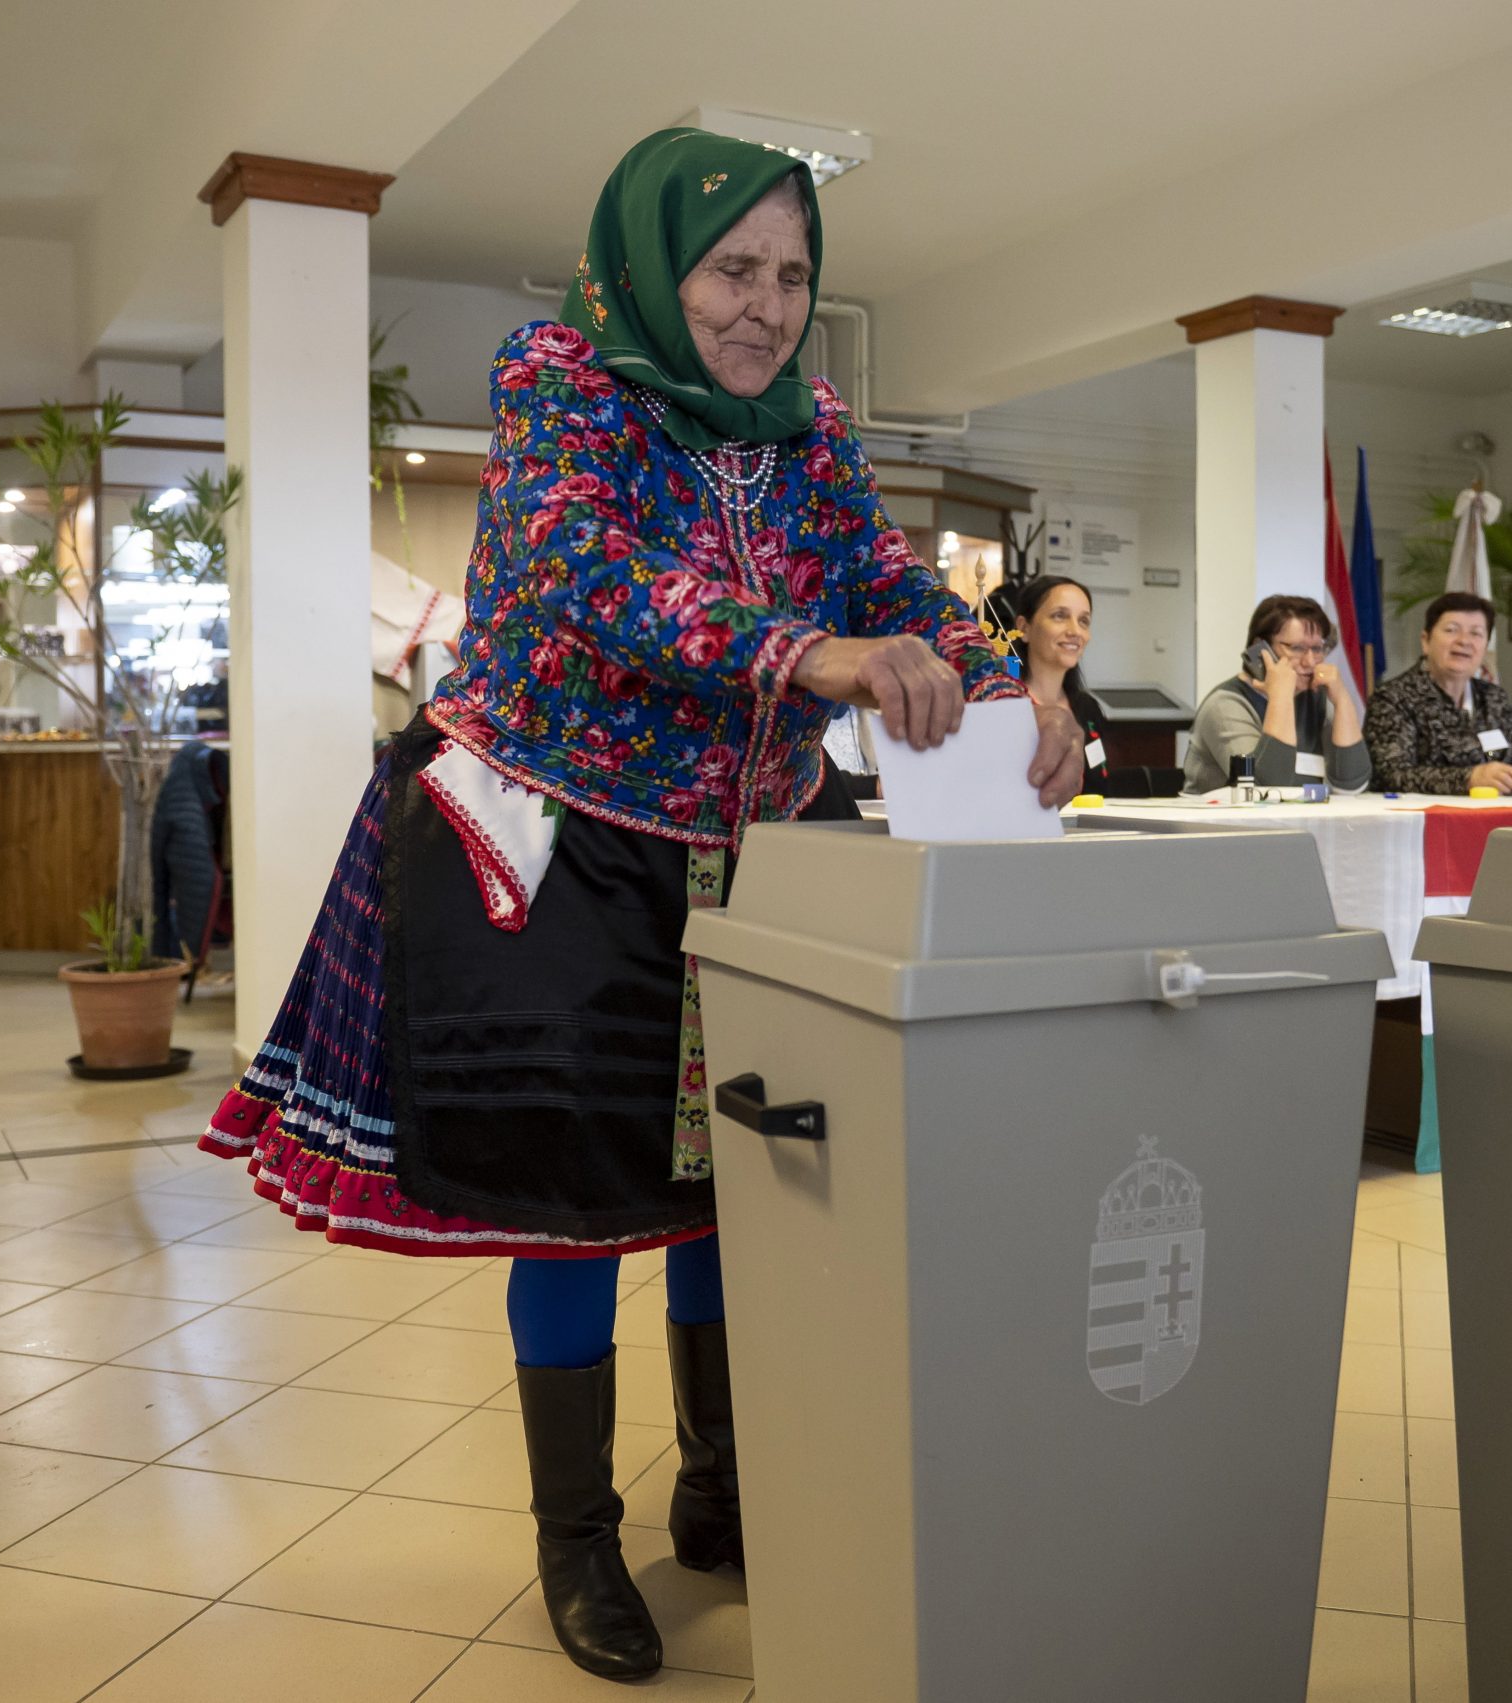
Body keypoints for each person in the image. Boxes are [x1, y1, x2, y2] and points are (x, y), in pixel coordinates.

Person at [195, 129, 1082, 1684]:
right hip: (566, 836)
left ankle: (722, 1485)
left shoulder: (804, 421)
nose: (765, 306)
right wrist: (807, 658)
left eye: (794, 275)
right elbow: (577, 571)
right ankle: (577, 1533)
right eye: (734, 266)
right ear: (655, 267)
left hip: (752, 845)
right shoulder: (562, 376)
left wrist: (1018, 678)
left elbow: (882, 578)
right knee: (581, 1187)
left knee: (750, 1162)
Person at [1180, 593, 1370, 795]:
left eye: (1317, 648)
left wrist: (1342, 700)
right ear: (1260, 648)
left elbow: (1351, 785)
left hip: (1298, 822)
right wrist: (1281, 697)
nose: (1310, 661)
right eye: (1296, 648)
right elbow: (1262, 789)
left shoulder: (1317, 699)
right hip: (1222, 824)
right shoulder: (1226, 705)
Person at [1362, 591, 1512, 795]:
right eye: (1451, 630)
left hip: (1494, 813)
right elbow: (1392, 775)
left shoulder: (1493, 697)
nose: (1464, 641)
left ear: (1485, 648)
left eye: (1476, 633)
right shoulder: (1393, 697)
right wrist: (1470, 779)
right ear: (1426, 641)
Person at [1013, 573, 1111, 793]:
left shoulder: (1088, 709)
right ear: (1024, 628)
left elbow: (1102, 790)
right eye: (1060, 616)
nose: (1075, 631)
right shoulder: (1004, 705)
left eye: (1083, 621)